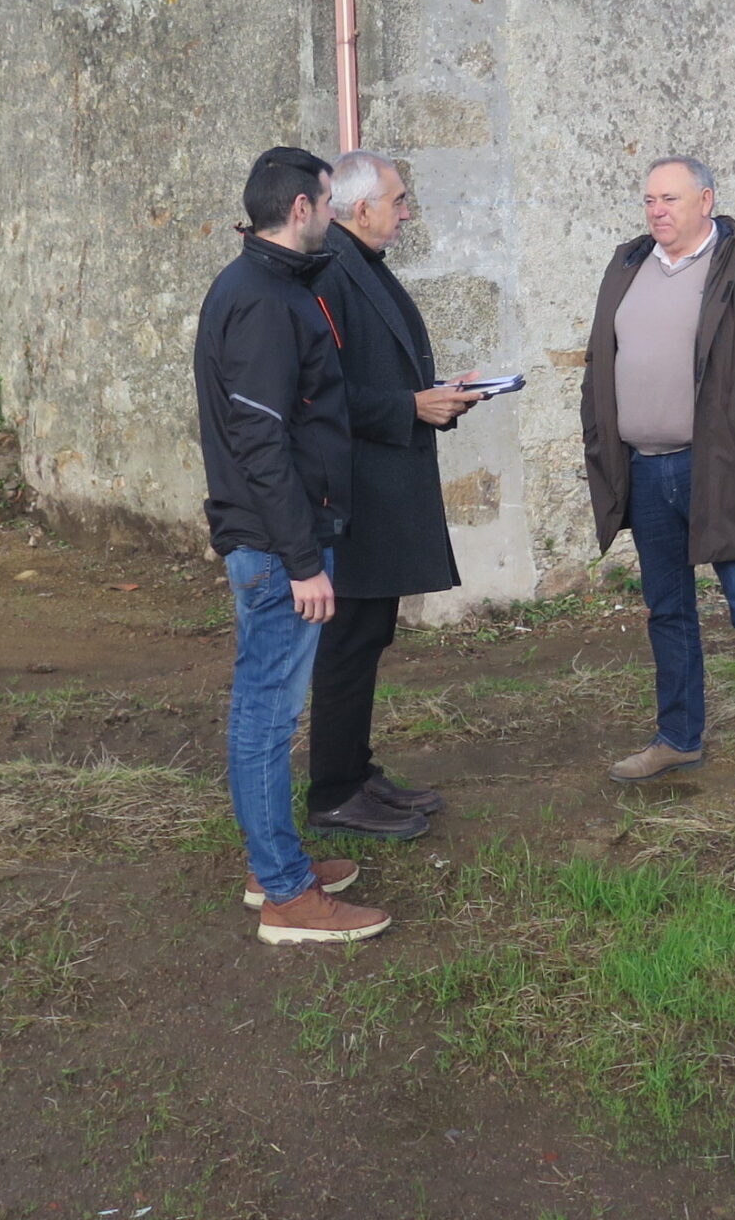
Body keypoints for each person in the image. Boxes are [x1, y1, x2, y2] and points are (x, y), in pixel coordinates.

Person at [192, 146, 388, 946]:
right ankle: (284, 895)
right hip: (278, 547)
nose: (334, 216)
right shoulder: (264, 301)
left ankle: (274, 863)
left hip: (277, 539)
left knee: (265, 708)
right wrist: (304, 559)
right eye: (329, 202)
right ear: (301, 209)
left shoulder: (265, 286)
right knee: (268, 716)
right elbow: (261, 442)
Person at [581, 157, 735, 797]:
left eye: (671, 199)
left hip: (719, 468)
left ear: (706, 201)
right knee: (667, 610)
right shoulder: (628, 264)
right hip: (644, 467)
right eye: (649, 200)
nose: (657, 211)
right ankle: (678, 737)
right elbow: (601, 362)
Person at [305, 150, 482, 840]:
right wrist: (410, 406)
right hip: (352, 491)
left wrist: (435, 397)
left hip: (378, 486)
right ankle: (334, 792)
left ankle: (354, 773)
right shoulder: (329, 270)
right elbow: (318, 394)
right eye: (399, 200)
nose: (407, 213)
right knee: (348, 640)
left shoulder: (360, 262)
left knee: (368, 633)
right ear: (361, 208)